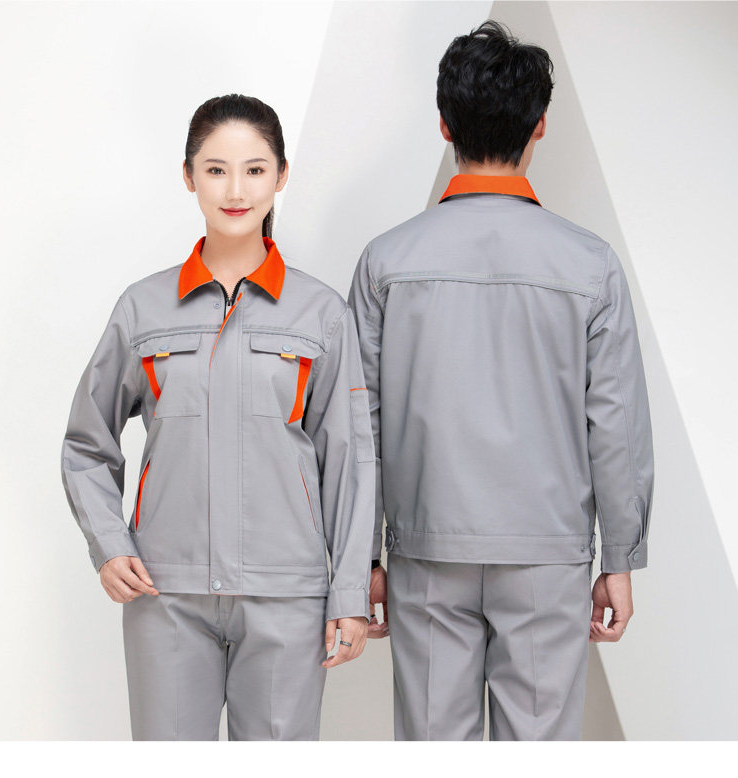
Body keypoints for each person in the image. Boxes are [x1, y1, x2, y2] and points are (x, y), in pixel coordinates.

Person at [349, 21, 654, 740]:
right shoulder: (590, 265)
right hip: (548, 553)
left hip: (426, 548)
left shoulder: (386, 261)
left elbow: (357, 423)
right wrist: (620, 556)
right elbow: (616, 423)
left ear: (444, 123)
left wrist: (362, 555)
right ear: (540, 125)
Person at [60, 94, 375, 740]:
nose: (236, 190)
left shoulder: (320, 314)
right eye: (216, 170)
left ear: (281, 176)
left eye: (255, 170)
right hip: (165, 594)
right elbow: (87, 444)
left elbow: (350, 462)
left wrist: (348, 593)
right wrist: (109, 544)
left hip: (286, 597)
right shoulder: (143, 309)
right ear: (188, 176)